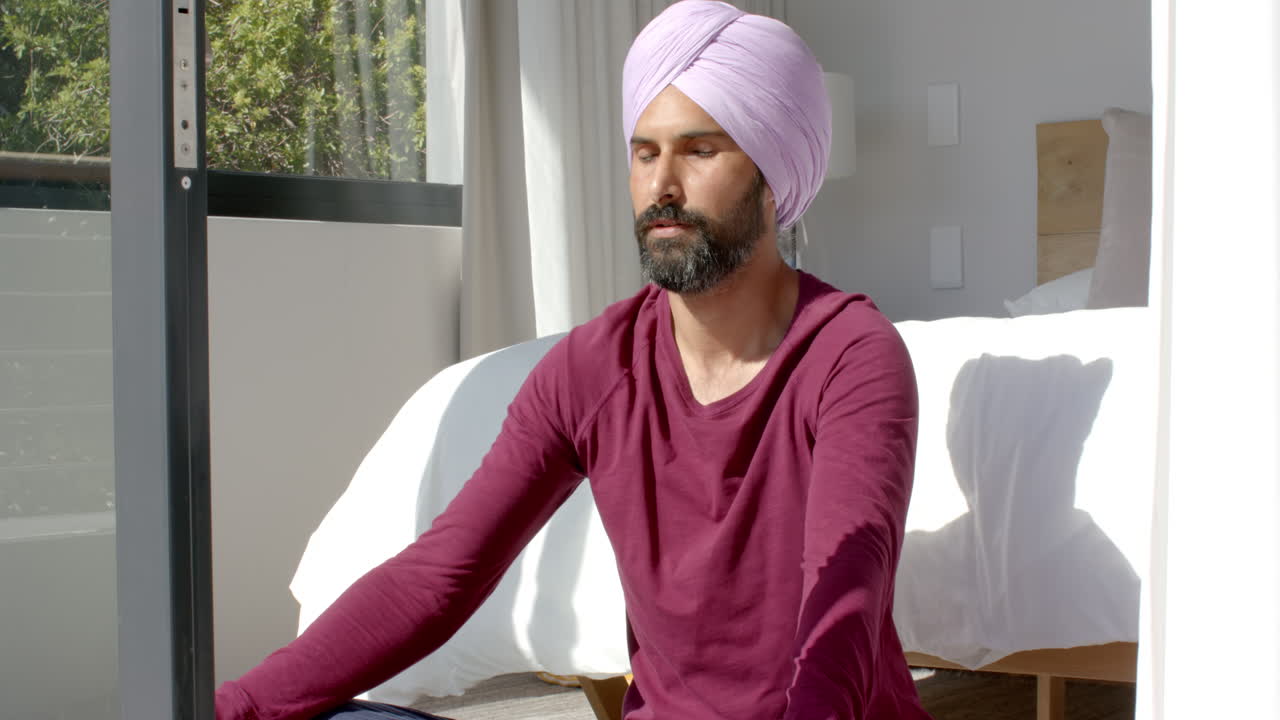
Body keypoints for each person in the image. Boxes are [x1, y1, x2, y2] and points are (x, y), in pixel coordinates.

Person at [216, 2, 931, 719]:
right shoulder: (591, 366)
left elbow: (846, 591)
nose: (662, 187)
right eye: (646, 153)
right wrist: (231, 707)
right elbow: (438, 578)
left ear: (774, 178)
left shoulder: (851, 356)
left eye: (700, 151)